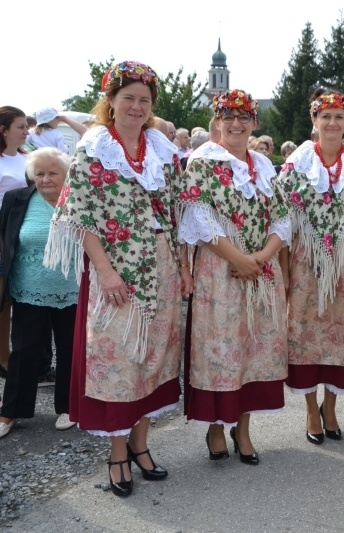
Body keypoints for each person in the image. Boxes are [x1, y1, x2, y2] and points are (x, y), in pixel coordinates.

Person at [44, 60, 192, 498]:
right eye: (128, 98)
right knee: (118, 363)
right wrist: (104, 272)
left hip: (162, 271)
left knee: (153, 359)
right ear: (110, 101)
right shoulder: (94, 148)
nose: (136, 106)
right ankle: (117, 453)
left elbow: (173, 214)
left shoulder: (162, 150)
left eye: (144, 100)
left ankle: (142, 447)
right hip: (117, 274)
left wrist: (182, 268)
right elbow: (81, 216)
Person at [178, 89, 289, 466]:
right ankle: (215, 425)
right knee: (222, 348)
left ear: (255, 123)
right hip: (220, 269)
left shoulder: (264, 166)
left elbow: (283, 217)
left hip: (260, 269)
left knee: (254, 348)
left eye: (244, 117)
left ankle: (243, 427)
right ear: (218, 122)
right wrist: (238, 258)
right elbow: (198, 218)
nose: (237, 124)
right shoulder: (202, 162)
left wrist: (261, 256)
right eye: (229, 117)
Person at [274, 91, 344, 445]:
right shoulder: (296, 165)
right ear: (314, 121)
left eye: (339, 117)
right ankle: (309, 408)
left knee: (343, 335)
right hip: (307, 261)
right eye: (326, 116)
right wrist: (286, 271)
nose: (332, 123)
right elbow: (284, 225)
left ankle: (330, 406)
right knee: (305, 333)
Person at [0, 148, 78, 439]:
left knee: (70, 349)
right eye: (40, 173)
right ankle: (10, 411)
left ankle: (68, 406)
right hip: (28, 288)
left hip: (72, 289)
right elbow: (5, 238)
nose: (45, 179)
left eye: (53, 173)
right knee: (23, 351)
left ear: (66, 174)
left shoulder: (79, 201)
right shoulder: (17, 199)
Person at [0, 106, 30, 379]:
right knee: (2, 301)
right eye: (20, 126)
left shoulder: (26, 158)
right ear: (4, 130)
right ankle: (4, 359)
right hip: (2, 234)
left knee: (18, 299)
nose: (26, 131)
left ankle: (24, 361)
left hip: (25, 234)